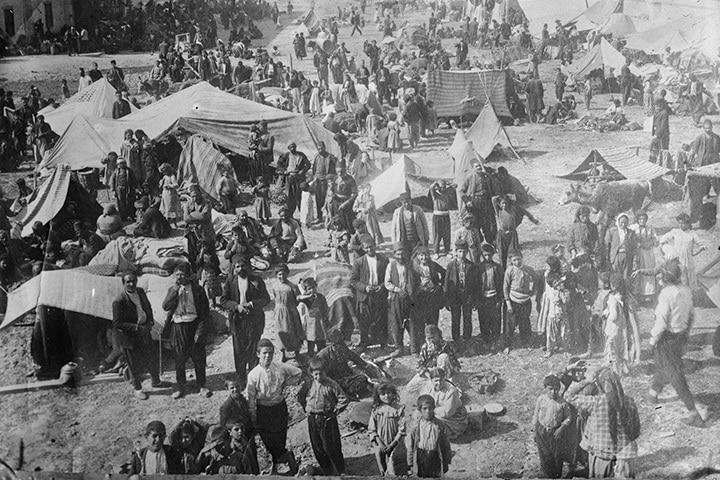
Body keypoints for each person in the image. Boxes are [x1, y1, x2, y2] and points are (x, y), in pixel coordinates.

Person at [648, 262, 707, 426]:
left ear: (666, 277)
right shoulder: (686, 291)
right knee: (664, 365)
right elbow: (691, 315)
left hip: (667, 338)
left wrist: (652, 340)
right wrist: (686, 334)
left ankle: (693, 413)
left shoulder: (666, 294)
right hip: (680, 336)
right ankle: (653, 393)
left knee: (675, 375)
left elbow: (661, 322)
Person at [565, 368, 640, 478]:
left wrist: (587, 381)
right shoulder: (629, 401)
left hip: (602, 455)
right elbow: (636, 430)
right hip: (625, 457)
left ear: (600, 385)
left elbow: (568, 395)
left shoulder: (595, 402)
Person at [246, 339, 302, 474]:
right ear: (258, 354)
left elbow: (298, 372)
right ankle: (284, 458)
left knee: (280, 437)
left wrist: (286, 383)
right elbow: (251, 398)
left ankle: (281, 464)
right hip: (263, 410)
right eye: (264, 353)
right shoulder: (253, 374)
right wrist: (253, 416)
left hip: (279, 408)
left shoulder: (280, 367)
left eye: (270, 353)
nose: (268, 356)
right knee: (268, 440)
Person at [162, 264, 211, 399]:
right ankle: (181, 386)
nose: (179, 277)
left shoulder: (198, 290)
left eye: (182, 274)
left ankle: (201, 385)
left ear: (189, 275)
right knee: (179, 358)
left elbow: (205, 313)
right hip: (178, 327)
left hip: (194, 324)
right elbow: (165, 306)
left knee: (198, 357)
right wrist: (175, 290)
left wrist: (200, 332)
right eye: (177, 274)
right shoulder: (173, 289)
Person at [112, 272, 163, 400]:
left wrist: (150, 321)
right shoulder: (119, 301)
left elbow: (148, 307)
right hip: (130, 336)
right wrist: (136, 328)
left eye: (134, 281)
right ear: (123, 284)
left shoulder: (140, 292)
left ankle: (156, 381)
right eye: (128, 282)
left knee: (151, 356)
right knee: (133, 363)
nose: (131, 284)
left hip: (144, 331)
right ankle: (138, 389)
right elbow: (117, 323)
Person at [220, 260, 271, 384]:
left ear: (248, 267)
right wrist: (236, 306)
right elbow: (223, 300)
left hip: (254, 319)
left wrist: (252, 304)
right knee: (239, 350)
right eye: (238, 266)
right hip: (237, 320)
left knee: (254, 349)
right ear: (234, 268)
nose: (241, 269)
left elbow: (266, 299)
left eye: (243, 266)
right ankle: (241, 378)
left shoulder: (256, 280)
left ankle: (254, 378)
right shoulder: (230, 282)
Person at [297, 358, 349, 475]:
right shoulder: (308, 384)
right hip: (312, 418)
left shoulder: (332, 384)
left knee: (331, 446)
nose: (319, 377)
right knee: (317, 446)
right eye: (316, 374)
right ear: (311, 373)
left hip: (327, 419)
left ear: (326, 372)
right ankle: (326, 469)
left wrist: (334, 412)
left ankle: (339, 470)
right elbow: (300, 397)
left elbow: (343, 399)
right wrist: (306, 409)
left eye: (321, 373)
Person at [533, 375, 575, 479]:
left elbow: (568, 417)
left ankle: (557, 474)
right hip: (541, 429)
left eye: (556, 389)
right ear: (545, 388)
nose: (553, 392)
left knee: (556, 454)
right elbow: (536, 415)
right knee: (544, 452)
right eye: (550, 389)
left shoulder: (562, 403)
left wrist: (562, 428)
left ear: (559, 389)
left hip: (556, 432)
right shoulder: (541, 399)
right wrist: (535, 430)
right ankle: (546, 473)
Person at [350, 236, 389, 350]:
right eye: (366, 248)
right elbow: (353, 280)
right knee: (364, 321)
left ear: (375, 246)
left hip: (379, 294)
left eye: (371, 247)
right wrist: (365, 288)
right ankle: (363, 343)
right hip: (365, 296)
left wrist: (382, 286)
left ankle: (383, 343)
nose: (369, 249)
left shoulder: (383, 259)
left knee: (381, 319)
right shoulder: (359, 262)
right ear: (363, 248)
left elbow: (388, 277)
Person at [406, 395, 452, 478]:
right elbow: (410, 445)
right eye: (424, 408)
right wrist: (410, 462)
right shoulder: (416, 425)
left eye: (430, 408)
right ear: (419, 410)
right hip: (421, 455)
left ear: (434, 408)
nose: (428, 411)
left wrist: (447, 460)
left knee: (435, 476)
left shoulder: (440, 425)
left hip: (435, 456)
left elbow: (446, 444)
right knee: (421, 475)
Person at [385, 243, 418, 357]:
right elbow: (387, 283)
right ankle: (399, 348)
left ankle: (414, 349)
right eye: (398, 254)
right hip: (396, 298)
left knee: (412, 323)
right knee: (397, 323)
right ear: (394, 254)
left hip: (410, 297)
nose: (400, 256)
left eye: (402, 254)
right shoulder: (391, 265)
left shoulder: (410, 265)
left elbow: (416, 279)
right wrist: (397, 290)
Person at [368, 383, 407, 475]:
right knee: (382, 464)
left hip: (395, 442)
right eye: (383, 394)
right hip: (380, 442)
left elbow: (401, 429)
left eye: (389, 393)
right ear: (378, 396)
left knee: (394, 465)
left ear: (393, 393)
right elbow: (372, 429)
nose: (386, 396)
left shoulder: (398, 409)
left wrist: (392, 444)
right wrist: (380, 443)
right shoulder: (376, 410)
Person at [659, 213, 705, 289]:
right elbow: (663, 239)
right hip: (678, 259)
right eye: (679, 223)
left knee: (689, 275)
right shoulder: (676, 232)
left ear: (688, 224)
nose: (681, 225)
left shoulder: (692, 234)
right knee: (680, 276)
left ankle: (691, 291)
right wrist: (665, 249)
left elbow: (701, 244)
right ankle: (681, 291)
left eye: (683, 223)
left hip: (688, 259)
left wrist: (696, 252)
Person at [444, 239, 478, 342]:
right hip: (455, 295)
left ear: (467, 252)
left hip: (467, 295)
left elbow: (475, 284)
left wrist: (474, 299)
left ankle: (467, 338)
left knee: (467, 317)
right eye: (459, 251)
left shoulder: (471, 266)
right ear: (456, 252)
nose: (462, 254)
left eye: (464, 251)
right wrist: (447, 299)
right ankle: (456, 339)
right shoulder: (451, 265)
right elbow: (446, 283)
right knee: (455, 318)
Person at [494, 194, 540, 269]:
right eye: (503, 203)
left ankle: (513, 269)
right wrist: (500, 196)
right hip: (502, 234)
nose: (504, 205)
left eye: (506, 203)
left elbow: (524, 211)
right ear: (499, 204)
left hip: (512, 234)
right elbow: (493, 200)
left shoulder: (512, 209)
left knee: (513, 252)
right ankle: (503, 270)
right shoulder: (499, 211)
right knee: (502, 253)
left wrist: (533, 220)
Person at [503, 250, 538, 349]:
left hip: (525, 300)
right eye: (514, 260)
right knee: (510, 324)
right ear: (511, 261)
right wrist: (508, 303)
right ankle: (508, 345)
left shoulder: (528, 269)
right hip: (513, 299)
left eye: (519, 259)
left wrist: (533, 291)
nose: (517, 262)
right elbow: (505, 287)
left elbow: (536, 278)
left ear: (522, 258)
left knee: (525, 322)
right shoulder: (510, 270)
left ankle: (526, 342)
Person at [271, 264, 304, 360]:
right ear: (276, 275)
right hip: (279, 312)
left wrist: (291, 306)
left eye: (284, 274)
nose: (282, 277)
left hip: (291, 311)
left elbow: (297, 300)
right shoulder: (275, 286)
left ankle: (297, 352)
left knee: (294, 331)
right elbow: (275, 298)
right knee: (281, 332)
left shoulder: (293, 287)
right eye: (279, 274)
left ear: (287, 274)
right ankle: (283, 354)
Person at [412, 246, 445, 331]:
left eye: (426, 255)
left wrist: (439, 285)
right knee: (421, 321)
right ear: (417, 256)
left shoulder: (433, 265)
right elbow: (411, 284)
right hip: (421, 298)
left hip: (433, 297)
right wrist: (420, 285)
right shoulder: (414, 268)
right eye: (421, 255)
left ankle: (433, 338)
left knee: (433, 320)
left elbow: (444, 272)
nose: (424, 257)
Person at [477, 243, 503, 344]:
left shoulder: (497, 267)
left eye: (489, 255)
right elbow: (476, 284)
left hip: (494, 296)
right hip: (483, 297)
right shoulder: (479, 267)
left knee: (495, 318)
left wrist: (499, 299)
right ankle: (485, 339)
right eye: (485, 255)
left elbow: (501, 284)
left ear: (492, 254)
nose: (487, 257)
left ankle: (495, 338)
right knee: (484, 318)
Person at [297, 277, 329, 356]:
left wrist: (325, 319)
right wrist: (308, 296)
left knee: (321, 344)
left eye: (313, 287)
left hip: (320, 324)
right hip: (310, 325)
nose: (312, 290)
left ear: (316, 286)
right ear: (306, 290)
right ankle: (311, 358)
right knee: (311, 344)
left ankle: (323, 358)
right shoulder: (306, 299)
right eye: (309, 288)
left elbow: (325, 309)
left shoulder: (321, 297)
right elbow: (298, 298)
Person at [630, 212, 657, 299]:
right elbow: (631, 239)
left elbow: (655, 239)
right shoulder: (633, 228)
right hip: (638, 252)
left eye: (644, 219)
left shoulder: (650, 228)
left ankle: (649, 293)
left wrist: (649, 243)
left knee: (648, 270)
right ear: (637, 219)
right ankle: (638, 293)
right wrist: (638, 244)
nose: (642, 221)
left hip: (648, 253)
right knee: (638, 271)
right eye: (640, 219)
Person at [604, 213, 637, 281]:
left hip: (627, 256)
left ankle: (625, 287)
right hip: (616, 256)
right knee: (616, 276)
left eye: (625, 223)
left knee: (626, 277)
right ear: (618, 222)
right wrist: (608, 258)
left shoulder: (631, 232)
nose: (623, 224)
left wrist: (634, 260)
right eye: (621, 222)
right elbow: (607, 245)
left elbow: (634, 247)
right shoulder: (612, 231)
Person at [428, 180, 454, 257]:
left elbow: (455, 185)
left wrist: (448, 183)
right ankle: (436, 252)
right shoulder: (435, 194)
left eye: (444, 186)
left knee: (447, 234)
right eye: (442, 187)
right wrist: (436, 183)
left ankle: (447, 251)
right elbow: (431, 187)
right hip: (437, 216)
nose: (443, 188)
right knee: (437, 235)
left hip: (446, 216)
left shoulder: (447, 192)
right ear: (438, 187)